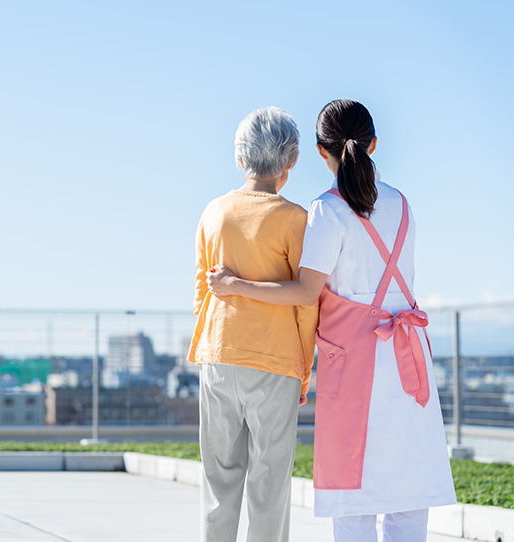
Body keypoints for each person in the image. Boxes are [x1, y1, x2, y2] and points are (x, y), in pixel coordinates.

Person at [207, 99, 456, 542]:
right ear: (373, 144)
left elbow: (306, 292)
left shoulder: (327, 210)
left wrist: (235, 286)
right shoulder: (401, 203)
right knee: (408, 490)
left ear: (322, 152)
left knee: (353, 494)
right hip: (408, 356)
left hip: (354, 356)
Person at [188, 106, 319, 542]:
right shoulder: (296, 220)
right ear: (292, 159)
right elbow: (307, 303)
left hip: (218, 354)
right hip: (276, 359)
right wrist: (304, 367)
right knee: (270, 482)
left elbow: (201, 292)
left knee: (219, 480)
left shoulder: (213, 212)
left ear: (240, 157)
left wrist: (205, 349)